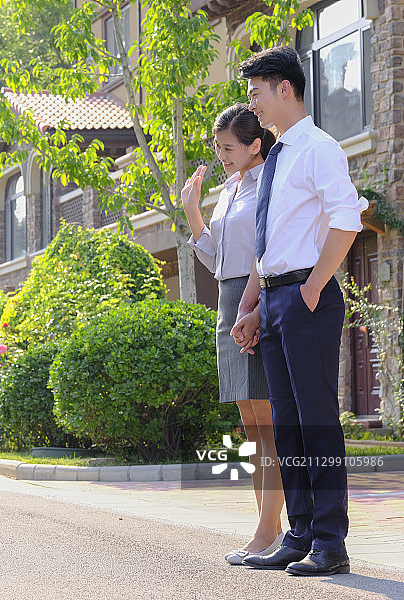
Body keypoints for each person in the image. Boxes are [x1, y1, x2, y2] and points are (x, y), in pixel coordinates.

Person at [231, 46, 366, 576]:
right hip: (276, 298)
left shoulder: (318, 148)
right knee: (287, 423)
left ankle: (331, 540)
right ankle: (301, 532)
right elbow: (272, 244)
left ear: (284, 88)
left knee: (317, 423)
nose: (253, 105)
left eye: (256, 93)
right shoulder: (280, 155)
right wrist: (256, 304)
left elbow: (347, 220)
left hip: (308, 297)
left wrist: (312, 287)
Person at [181, 104, 285, 566]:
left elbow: (266, 252)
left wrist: (254, 308)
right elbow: (217, 259)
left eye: (228, 148)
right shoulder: (232, 189)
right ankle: (267, 526)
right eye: (217, 147)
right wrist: (193, 213)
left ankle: (269, 530)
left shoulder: (270, 186)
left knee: (267, 423)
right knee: (251, 424)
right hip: (228, 301)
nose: (221, 155)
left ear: (254, 146)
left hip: (254, 301)